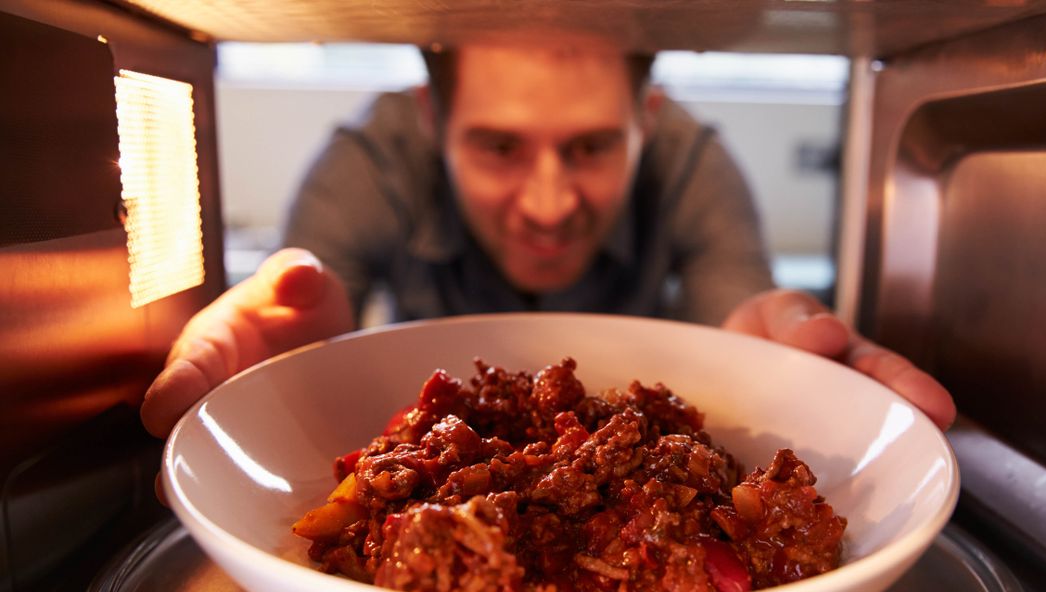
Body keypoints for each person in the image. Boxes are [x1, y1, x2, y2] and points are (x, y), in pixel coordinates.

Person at [139, 37, 955, 438]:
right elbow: (310, 317)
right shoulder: (367, 163)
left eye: (592, 147)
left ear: (647, 120)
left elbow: (739, 312)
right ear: (433, 119)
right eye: (499, 147)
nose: (548, 201)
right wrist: (296, 370)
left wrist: (777, 363)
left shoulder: (694, 166)